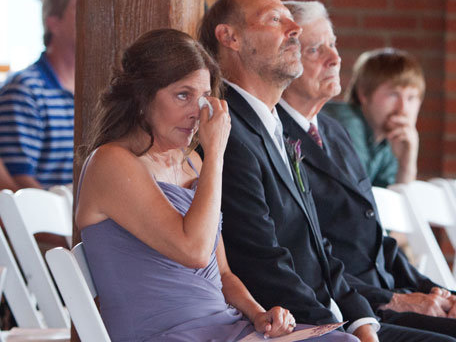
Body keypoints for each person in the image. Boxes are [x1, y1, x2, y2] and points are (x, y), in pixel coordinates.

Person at [278, 0, 456, 342]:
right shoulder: (279, 136)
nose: (335, 58)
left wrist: (435, 289)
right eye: (315, 49)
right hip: (353, 302)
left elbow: (377, 238)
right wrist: (396, 300)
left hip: (391, 284)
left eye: (333, 44)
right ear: (285, 59)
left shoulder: (332, 130)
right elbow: (306, 256)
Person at [199, 0, 456, 342]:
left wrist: (361, 322)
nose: (294, 30)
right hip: (288, 321)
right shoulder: (229, 131)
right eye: (275, 19)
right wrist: (342, 330)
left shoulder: (275, 125)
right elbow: (261, 260)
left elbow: (320, 248)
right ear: (231, 38)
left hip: (337, 312)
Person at [75, 28, 304, 341]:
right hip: (167, 334)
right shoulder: (111, 162)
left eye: (204, 96)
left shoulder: (192, 163)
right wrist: (216, 155)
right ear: (143, 97)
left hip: (224, 326)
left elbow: (221, 273)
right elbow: (194, 250)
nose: (198, 111)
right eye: (183, 95)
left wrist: (258, 313)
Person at [0, 0, 76, 189]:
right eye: (81, 9)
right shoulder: (24, 89)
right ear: (53, 22)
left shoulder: (97, 89)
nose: (94, 18)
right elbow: (18, 179)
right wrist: (63, 220)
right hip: (50, 218)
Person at [324, 48, 423, 188]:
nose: (403, 108)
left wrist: (407, 161)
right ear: (363, 93)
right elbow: (356, 197)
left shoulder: (389, 138)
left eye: (411, 98)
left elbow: (395, 202)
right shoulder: (346, 124)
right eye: (393, 95)